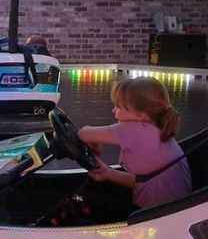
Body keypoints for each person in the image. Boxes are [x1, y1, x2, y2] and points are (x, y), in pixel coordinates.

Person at [77, 77, 192, 216]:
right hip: (172, 211)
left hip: (151, 217)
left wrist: (95, 142)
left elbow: (83, 133)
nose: (114, 111)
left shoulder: (134, 130)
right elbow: (144, 181)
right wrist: (108, 173)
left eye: (119, 107)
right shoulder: (158, 129)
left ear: (141, 115)